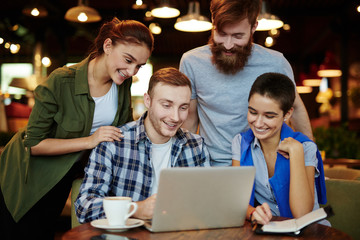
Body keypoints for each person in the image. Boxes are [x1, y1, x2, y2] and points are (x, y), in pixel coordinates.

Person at [0, 17, 154, 240]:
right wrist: (90, 140)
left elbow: (124, 130)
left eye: (139, 65)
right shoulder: (62, 80)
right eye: (128, 60)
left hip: (69, 172)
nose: (132, 71)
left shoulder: (122, 82)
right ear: (108, 45)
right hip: (30, 175)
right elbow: (33, 144)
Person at [179, 0, 313, 166]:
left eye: (237, 36)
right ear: (213, 24)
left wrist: (310, 162)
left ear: (253, 27)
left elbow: (297, 109)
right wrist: (185, 166)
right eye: (221, 34)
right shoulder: (191, 62)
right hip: (210, 165)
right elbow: (190, 120)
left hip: (263, 166)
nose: (228, 45)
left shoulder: (275, 63)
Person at [75, 67, 210, 223]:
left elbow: (206, 203)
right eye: (166, 105)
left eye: (183, 107)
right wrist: (135, 209)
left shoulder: (196, 145)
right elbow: (84, 207)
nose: (175, 117)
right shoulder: (113, 143)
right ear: (148, 101)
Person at [232, 72, 327, 225]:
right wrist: (253, 213)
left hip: (309, 231)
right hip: (270, 228)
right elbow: (236, 199)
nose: (258, 123)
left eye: (269, 116)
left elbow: (302, 213)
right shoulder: (240, 143)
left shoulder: (305, 147)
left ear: (287, 114)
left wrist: (296, 153)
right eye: (252, 112)